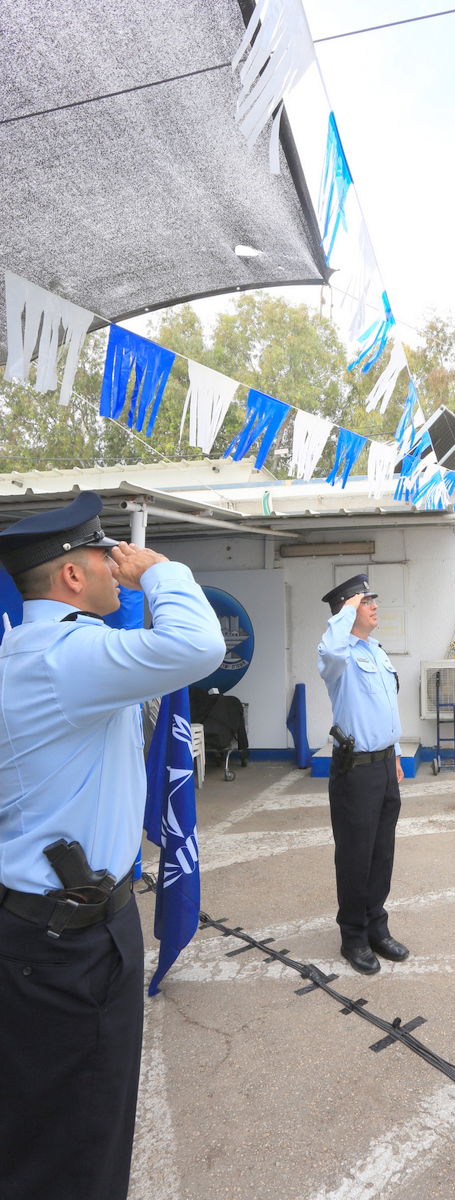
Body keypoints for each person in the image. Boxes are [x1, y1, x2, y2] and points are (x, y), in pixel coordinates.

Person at [0, 491, 225, 1200]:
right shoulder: (69, 659)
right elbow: (199, 646)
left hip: (51, 924)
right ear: (71, 575)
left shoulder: (29, 647)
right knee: (81, 1140)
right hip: (70, 941)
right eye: (103, 556)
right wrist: (159, 570)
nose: (113, 566)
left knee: (43, 1127)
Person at [317, 573, 408, 975]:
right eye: (365, 601)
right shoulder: (338, 655)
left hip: (385, 765)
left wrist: (397, 754)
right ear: (348, 608)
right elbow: (332, 649)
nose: (374, 606)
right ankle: (352, 937)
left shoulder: (375, 651)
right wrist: (345, 612)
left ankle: (376, 928)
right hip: (355, 771)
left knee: (381, 854)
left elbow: (387, 708)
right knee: (355, 857)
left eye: (372, 600)